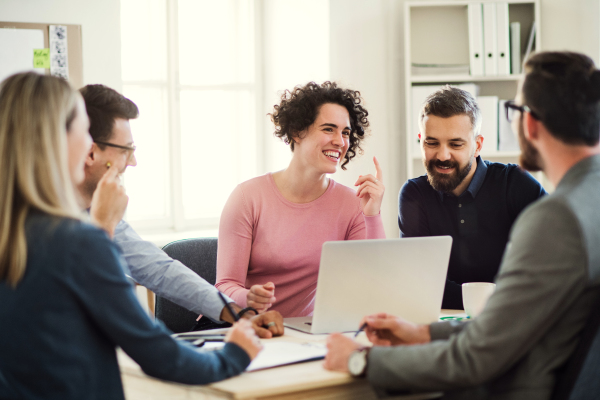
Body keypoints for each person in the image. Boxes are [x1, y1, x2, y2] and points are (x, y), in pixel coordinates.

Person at [324, 51, 600, 399]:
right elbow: (507, 325)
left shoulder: (556, 218)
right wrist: (423, 334)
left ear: (528, 124)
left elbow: (478, 356)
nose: (443, 154)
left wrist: (363, 361)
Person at [0, 72, 262, 400]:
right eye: (83, 133)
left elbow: (152, 267)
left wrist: (232, 311)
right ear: (79, 147)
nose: (132, 161)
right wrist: (235, 353)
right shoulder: (77, 241)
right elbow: (158, 354)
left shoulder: (21, 231)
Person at [78, 84, 283, 336]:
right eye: (126, 150)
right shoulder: (48, 222)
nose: (133, 162)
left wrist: (239, 315)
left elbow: (159, 270)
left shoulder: (96, 210)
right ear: (90, 153)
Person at [215, 81, 386, 317]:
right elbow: (224, 286)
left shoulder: (352, 203)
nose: (340, 141)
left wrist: (372, 215)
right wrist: (249, 298)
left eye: (345, 132)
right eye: (328, 129)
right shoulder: (247, 198)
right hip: (238, 325)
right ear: (297, 131)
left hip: (298, 335)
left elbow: (374, 285)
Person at [398, 85, 546, 309]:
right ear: (421, 141)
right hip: (443, 323)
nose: (443, 155)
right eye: (431, 142)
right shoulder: (414, 195)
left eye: (455, 144)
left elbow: (548, 266)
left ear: (477, 146)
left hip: (509, 322)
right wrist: (497, 297)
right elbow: (422, 284)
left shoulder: (516, 184)